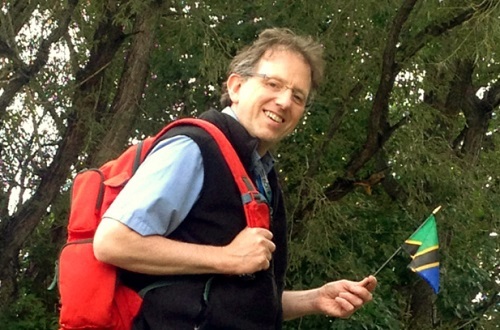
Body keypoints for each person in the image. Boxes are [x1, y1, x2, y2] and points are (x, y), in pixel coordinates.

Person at [93, 27, 377, 329]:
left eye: (297, 96)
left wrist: (315, 299)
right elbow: (112, 242)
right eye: (273, 83)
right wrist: (227, 257)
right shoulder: (194, 147)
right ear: (236, 86)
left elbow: (235, 300)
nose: (284, 101)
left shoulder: (261, 174)